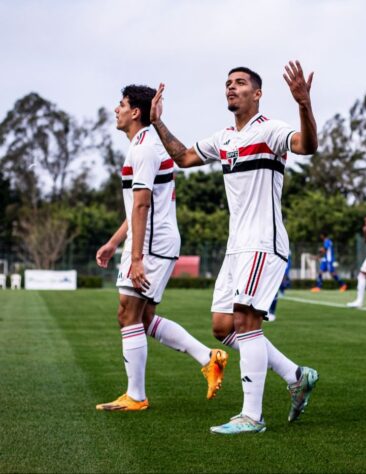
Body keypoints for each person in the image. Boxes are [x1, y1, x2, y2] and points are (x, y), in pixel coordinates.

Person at [150, 62, 319, 435]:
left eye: (240, 83)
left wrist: (304, 105)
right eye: (228, 83)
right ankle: (296, 375)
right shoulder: (223, 138)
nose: (231, 88)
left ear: (256, 94)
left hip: (263, 243)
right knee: (223, 327)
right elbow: (183, 158)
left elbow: (307, 145)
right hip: (236, 247)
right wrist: (158, 122)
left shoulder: (270, 130)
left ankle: (252, 416)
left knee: (245, 323)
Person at [95, 85, 227, 412]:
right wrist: (114, 242)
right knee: (143, 316)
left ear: (135, 112)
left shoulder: (144, 149)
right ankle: (208, 357)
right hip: (155, 241)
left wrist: (136, 258)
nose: (116, 109)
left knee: (128, 314)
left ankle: (136, 397)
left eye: (121, 104)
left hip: (151, 245)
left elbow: (142, 206)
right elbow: (139, 206)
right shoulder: (144, 146)